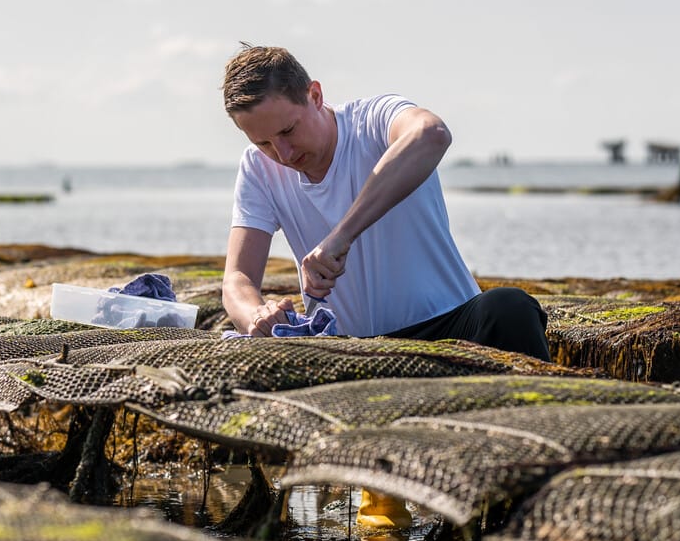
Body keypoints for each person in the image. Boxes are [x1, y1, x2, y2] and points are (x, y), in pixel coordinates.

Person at [220, 44, 550, 359]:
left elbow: (432, 134)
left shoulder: (374, 119)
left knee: (510, 307)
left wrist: (341, 236)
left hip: (449, 326)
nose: (284, 154)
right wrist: (256, 316)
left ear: (315, 95)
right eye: (264, 143)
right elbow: (238, 278)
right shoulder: (256, 168)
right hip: (348, 347)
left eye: (289, 131)